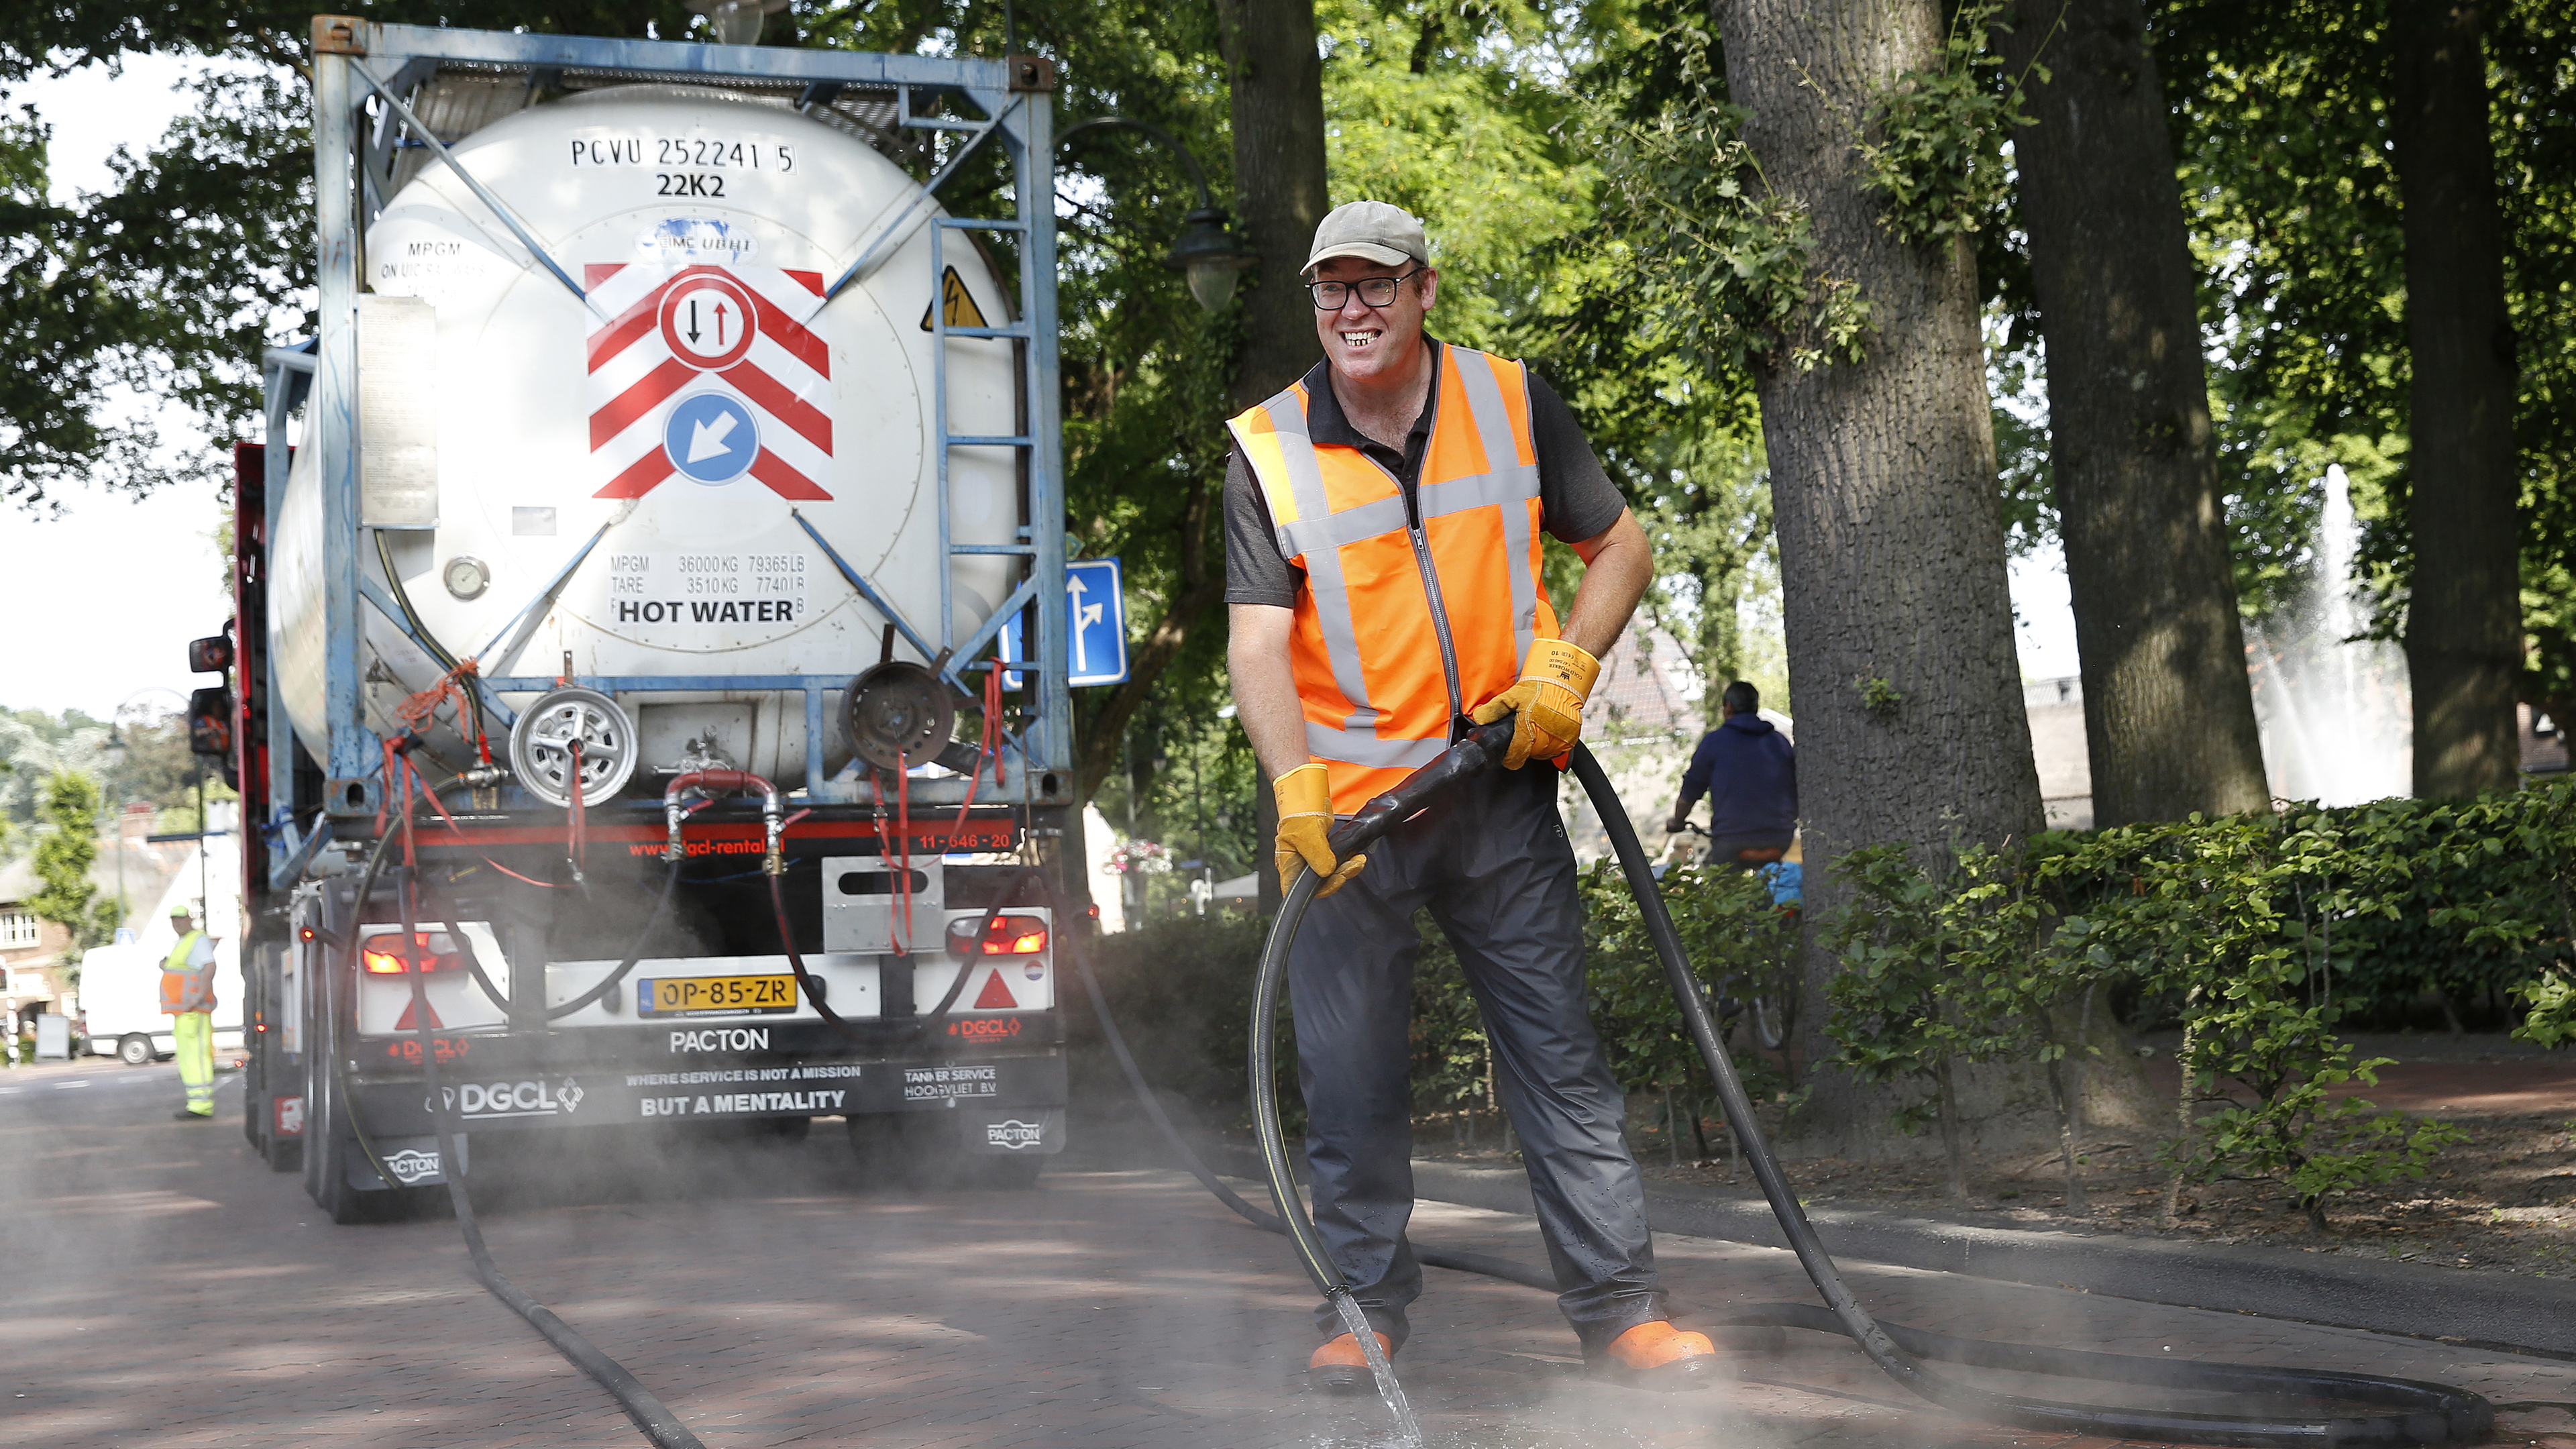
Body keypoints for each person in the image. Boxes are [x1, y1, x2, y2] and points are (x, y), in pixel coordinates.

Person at [1224, 200, 1719, 1392]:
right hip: (1346, 826)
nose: (1351, 308)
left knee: (1559, 1061)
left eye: (1375, 285)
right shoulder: (1267, 447)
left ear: (1423, 291)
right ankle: (1364, 1311)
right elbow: (1255, 643)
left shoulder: (1509, 399)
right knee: (1350, 1084)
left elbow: (1624, 550)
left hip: (1497, 800)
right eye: (1330, 288)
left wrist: (1567, 668)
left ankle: (1623, 1313)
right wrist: (1298, 798)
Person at [1667, 680, 1797, 869]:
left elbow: (1690, 791)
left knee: (1721, 889)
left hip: (1734, 838)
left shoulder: (1714, 742)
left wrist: (1677, 821)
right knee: (1771, 883)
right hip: (1779, 837)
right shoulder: (1779, 742)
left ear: (1728, 707)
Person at [161, 906, 219, 1121]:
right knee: (188, 1057)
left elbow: (209, 967)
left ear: (189, 919)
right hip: (183, 1011)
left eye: (180, 919)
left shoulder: (197, 939)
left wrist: (198, 996)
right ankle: (196, 1102)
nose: (177, 924)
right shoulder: (185, 942)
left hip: (193, 1009)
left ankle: (202, 1105)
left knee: (197, 1057)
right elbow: (183, 970)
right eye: (174, 920)